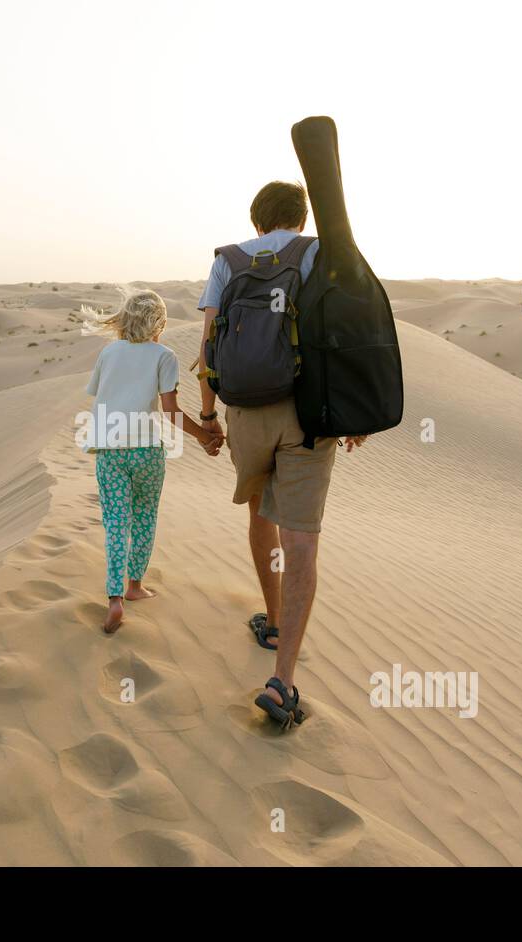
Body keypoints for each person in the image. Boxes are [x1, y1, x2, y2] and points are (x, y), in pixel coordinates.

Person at [195, 181, 366, 727]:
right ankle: (283, 678)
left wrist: (206, 416)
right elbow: (342, 331)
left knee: (259, 513)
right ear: (301, 215)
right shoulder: (317, 252)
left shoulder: (227, 261)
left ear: (256, 219)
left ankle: (271, 619)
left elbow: (206, 344)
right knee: (302, 538)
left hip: (246, 412)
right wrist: (353, 411)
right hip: (309, 413)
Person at [83, 289, 222, 634]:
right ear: (159, 323)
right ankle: (135, 587)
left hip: (110, 450)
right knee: (144, 517)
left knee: (116, 521)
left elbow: (99, 394)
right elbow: (171, 412)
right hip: (146, 451)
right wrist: (205, 437)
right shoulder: (164, 355)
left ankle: (114, 598)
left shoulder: (108, 352)